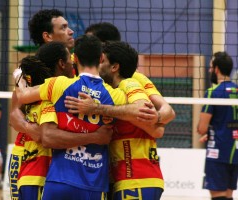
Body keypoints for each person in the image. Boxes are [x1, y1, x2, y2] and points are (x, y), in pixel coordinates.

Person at [14, 35, 154, 199]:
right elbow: (139, 110)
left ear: (76, 59)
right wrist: (98, 109)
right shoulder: (115, 95)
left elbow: (23, 96)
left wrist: (18, 76)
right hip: (94, 184)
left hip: (60, 180)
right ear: (101, 58)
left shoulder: (59, 84)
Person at [9, 42, 112, 200]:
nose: (72, 61)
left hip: (34, 170)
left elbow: (20, 102)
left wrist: (18, 77)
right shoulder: (53, 92)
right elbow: (38, 132)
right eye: (69, 57)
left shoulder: (42, 90)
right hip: (37, 173)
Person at [65, 41, 165, 199]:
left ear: (114, 67)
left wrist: (96, 108)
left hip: (136, 178)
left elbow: (156, 127)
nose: (99, 65)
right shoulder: (110, 91)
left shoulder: (128, 83)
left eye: (103, 61)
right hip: (125, 179)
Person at [84, 21, 175, 125]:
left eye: (90, 44)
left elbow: (166, 113)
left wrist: (157, 118)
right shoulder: (88, 71)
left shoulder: (131, 79)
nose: (86, 47)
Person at [197, 51, 238, 200]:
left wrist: (207, 131)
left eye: (211, 67)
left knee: (218, 196)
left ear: (216, 69)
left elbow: (201, 128)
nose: (210, 70)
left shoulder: (213, 92)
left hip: (218, 152)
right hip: (235, 152)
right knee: (228, 195)